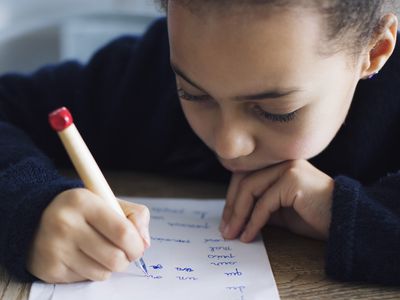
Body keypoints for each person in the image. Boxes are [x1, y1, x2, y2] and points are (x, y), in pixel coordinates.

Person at [0, 0, 399, 286]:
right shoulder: (145, 75)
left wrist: (345, 211)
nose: (228, 145)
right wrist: (29, 207)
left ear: (374, 51)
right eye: (193, 94)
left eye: (276, 110)